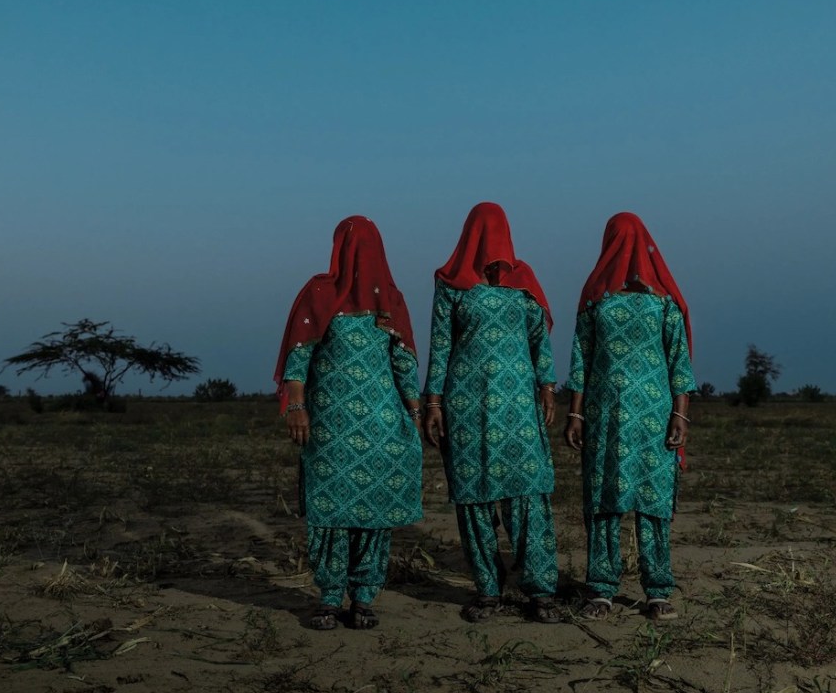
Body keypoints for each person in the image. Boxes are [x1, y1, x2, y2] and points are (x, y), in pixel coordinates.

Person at [275, 216, 423, 631]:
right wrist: (296, 406)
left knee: (373, 512)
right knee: (331, 511)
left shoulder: (390, 300)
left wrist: (414, 416)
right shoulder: (319, 294)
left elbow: (404, 362)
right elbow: (298, 356)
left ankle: (362, 598)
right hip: (329, 427)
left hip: (382, 426)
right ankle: (327, 597)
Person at [423, 202, 561, 624]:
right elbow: (441, 345)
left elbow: (540, 341)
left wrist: (548, 386)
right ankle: (487, 590)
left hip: (519, 405)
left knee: (527, 494)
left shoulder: (524, 284)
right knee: (474, 497)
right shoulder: (452, 286)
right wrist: (433, 402)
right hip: (465, 405)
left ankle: (540, 590)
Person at [563, 212, 695, 621]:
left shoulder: (663, 302)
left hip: (653, 418)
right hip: (604, 416)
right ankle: (601, 589)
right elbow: (580, 359)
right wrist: (575, 414)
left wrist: (681, 415)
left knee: (652, 502)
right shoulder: (594, 300)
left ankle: (657, 591)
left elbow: (680, 362)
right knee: (605, 501)